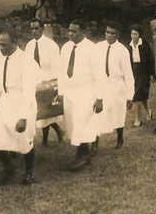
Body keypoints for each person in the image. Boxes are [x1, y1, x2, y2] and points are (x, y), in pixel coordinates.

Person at [0, 29, 38, 186]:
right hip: (5, 100)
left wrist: (24, 117)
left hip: (23, 101)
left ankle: (29, 172)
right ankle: (9, 168)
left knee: (24, 140)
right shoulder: (1, 57)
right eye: (0, 45)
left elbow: (30, 92)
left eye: (4, 45)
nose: (0, 48)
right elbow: (1, 84)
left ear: (16, 43)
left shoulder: (27, 62)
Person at [58, 20, 105, 171]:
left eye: (74, 31)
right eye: (69, 30)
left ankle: (82, 155)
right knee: (71, 123)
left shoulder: (92, 49)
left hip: (86, 91)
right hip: (69, 92)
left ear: (83, 32)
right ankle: (82, 153)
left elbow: (99, 75)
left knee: (81, 122)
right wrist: (60, 92)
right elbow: (61, 70)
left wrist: (99, 98)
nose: (70, 33)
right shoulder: (66, 48)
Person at [25, 18, 64, 146]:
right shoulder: (29, 45)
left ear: (42, 29)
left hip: (47, 80)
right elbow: (26, 65)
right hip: (34, 81)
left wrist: (50, 82)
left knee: (46, 109)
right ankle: (58, 130)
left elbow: (56, 66)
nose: (34, 31)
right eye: (32, 29)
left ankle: (45, 139)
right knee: (38, 110)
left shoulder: (51, 45)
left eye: (36, 28)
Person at [96, 22, 134, 149]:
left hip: (116, 84)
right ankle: (95, 143)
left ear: (118, 34)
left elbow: (128, 74)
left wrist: (130, 95)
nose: (109, 35)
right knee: (97, 113)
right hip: (101, 83)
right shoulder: (98, 47)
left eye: (112, 33)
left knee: (118, 111)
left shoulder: (122, 50)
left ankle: (120, 139)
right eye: (107, 32)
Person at [127, 24, 154, 127]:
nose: (133, 36)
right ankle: (149, 112)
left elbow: (150, 60)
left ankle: (137, 119)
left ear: (139, 35)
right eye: (132, 34)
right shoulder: (128, 45)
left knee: (137, 94)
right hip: (133, 71)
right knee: (141, 95)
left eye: (135, 34)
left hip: (144, 71)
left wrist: (151, 74)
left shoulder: (144, 45)